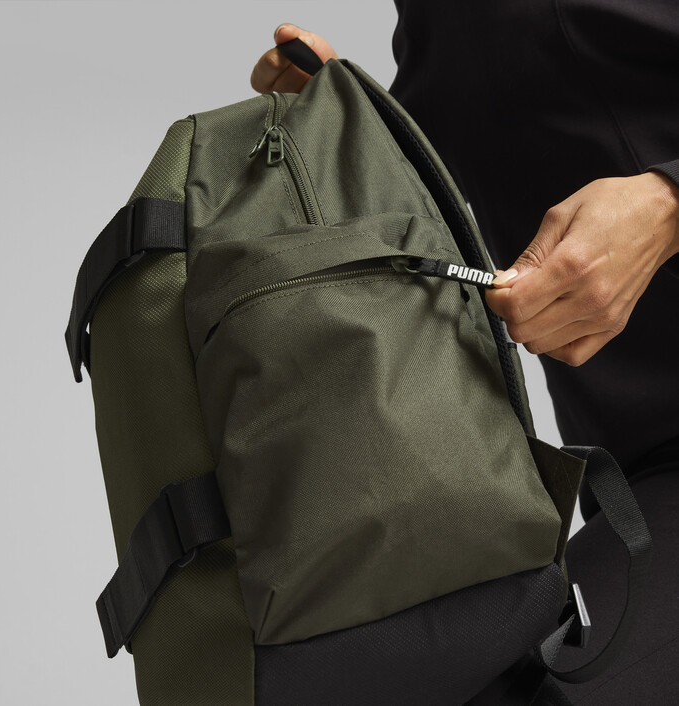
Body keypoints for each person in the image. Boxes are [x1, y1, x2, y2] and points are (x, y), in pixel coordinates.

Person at [251, 3, 679, 703]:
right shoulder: (444, 24)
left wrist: (667, 206)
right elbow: (435, 186)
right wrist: (348, 133)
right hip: (649, 469)